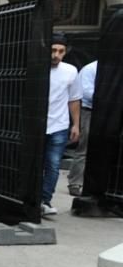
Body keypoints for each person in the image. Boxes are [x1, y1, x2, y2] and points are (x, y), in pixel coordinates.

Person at [42, 33, 80, 216]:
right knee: (35, 164)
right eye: (53, 50)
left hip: (59, 124)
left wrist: (76, 125)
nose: (56, 55)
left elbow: (74, 99)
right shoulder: (38, 68)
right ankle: (34, 199)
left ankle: (45, 200)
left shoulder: (71, 71)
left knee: (53, 164)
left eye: (61, 51)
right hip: (39, 124)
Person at [67, 59, 97, 197]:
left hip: (106, 111)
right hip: (88, 110)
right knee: (83, 148)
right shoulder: (91, 69)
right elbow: (85, 92)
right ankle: (75, 183)